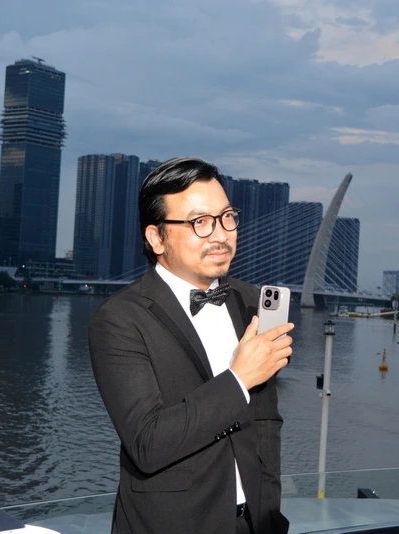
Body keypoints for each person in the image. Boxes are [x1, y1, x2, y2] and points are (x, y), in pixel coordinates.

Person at [89, 157, 294, 534]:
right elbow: (147, 443)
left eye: (227, 217)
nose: (221, 235)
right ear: (157, 238)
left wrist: (270, 516)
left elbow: (266, 425)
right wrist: (239, 379)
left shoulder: (251, 302)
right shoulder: (119, 319)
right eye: (200, 222)